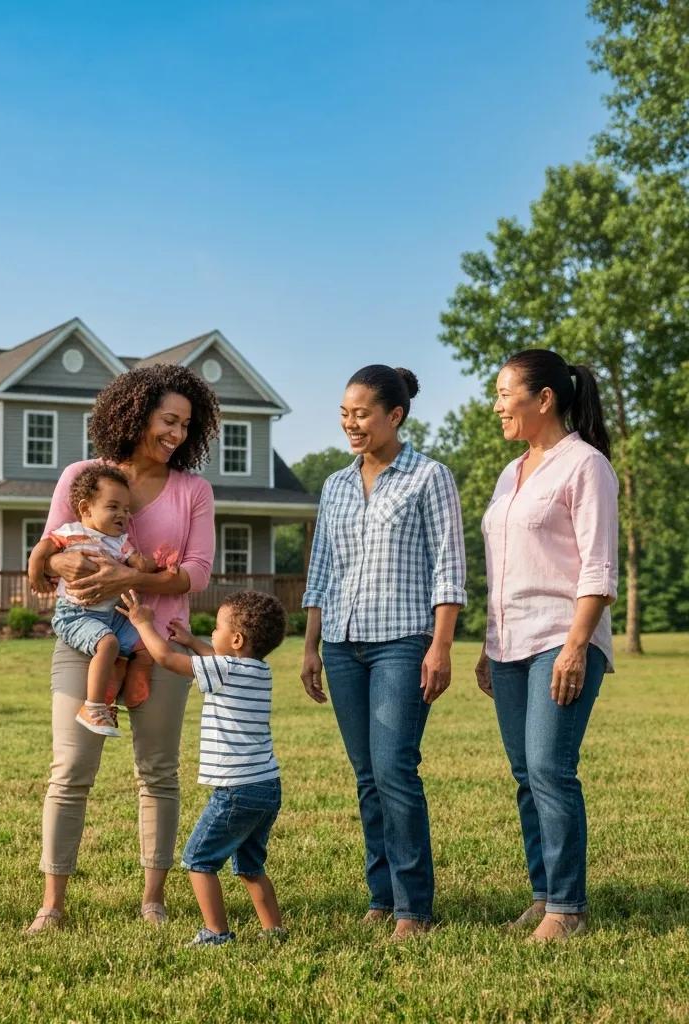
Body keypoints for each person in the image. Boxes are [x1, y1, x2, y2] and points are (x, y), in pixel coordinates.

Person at [26, 363, 219, 934]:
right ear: (135, 414)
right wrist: (61, 563)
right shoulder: (82, 477)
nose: (176, 435)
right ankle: (52, 904)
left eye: (186, 425)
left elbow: (198, 573)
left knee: (157, 772)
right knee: (71, 770)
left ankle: (153, 898)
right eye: (167, 420)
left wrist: (122, 582)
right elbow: (51, 552)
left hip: (161, 645)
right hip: (82, 636)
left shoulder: (193, 491)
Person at [299, 365, 466, 940]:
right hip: (342, 643)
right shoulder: (335, 485)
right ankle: (381, 893)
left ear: (394, 416)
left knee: (395, 767)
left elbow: (449, 566)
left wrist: (440, 646)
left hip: (402, 640)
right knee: (366, 774)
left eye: (362, 413)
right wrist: (311, 646)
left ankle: (413, 907)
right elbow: (320, 569)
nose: (351, 423)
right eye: (345, 413)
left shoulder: (430, 477)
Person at [475, 349, 618, 943]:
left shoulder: (585, 466)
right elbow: (505, 565)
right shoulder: (513, 471)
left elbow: (599, 567)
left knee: (549, 768)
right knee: (524, 773)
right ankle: (544, 893)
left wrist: (576, 645)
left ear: (544, 399)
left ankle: (569, 907)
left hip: (561, 637)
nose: (497, 404)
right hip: (508, 643)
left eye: (505, 393)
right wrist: (487, 643)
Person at [120, 589, 287, 947]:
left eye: (216, 628)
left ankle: (216, 933)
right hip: (267, 786)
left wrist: (143, 622)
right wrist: (194, 641)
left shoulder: (222, 669)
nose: (211, 634)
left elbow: (165, 657)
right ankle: (274, 930)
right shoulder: (259, 671)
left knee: (199, 860)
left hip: (235, 791)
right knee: (251, 866)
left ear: (237, 639)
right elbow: (216, 656)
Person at [27, 464, 179, 737]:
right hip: (76, 615)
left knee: (145, 643)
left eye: (126, 508)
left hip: (113, 615)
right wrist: (35, 572)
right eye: (113, 507)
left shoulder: (120, 542)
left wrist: (161, 562)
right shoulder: (70, 532)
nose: (123, 514)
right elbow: (41, 549)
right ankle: (94, 707)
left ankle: (129, 681)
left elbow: (140, 565)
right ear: (86, 509)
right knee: (107, 644)